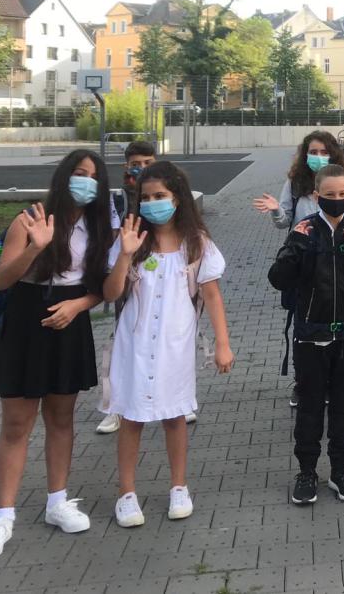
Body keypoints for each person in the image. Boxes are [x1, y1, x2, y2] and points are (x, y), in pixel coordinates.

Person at [0, 150, 115, 561]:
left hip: (70, 321)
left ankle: (58, 501)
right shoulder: (30, 218)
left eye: (93, 176)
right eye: (79, 173)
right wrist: (35, 248)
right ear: (63, 176)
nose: (85, 181)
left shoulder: (98, 228)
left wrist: (77, 306)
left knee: (61, 418)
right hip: (26, 322)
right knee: (17, 423)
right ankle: (3, 517)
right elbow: (3, 280)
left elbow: (102, 288)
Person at [100, 161, 234, 528]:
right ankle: (126, 493)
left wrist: (222, 343)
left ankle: (179, 486)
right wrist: (124, 254)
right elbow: (111, 293)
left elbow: (212, 294)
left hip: (176, 344)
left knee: (175, 416)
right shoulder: (132, 241)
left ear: (177, 198)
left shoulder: (197, 244)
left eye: (160, 196)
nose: (152, 203)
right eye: (145, 198)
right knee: (131, 417)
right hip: (134, 344)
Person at [268, 165, 344, 505]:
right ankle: (306, 471)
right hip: (310, 334)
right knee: (310, 406)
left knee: (343, 404)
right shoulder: (304, 230)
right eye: (329, 195)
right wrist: (297, 246)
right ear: (316, 195)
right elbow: (278, 278)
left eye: (343, 194)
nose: (337, 199)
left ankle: (341, 470)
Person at [254, 131, 344, 407]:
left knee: (332, 321)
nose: (318, 157)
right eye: (313, 152)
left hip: (334, 262)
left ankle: (331, 382)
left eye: (324, 152)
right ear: (305, 154)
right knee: (303, 323)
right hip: (303, 263)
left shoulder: (341, 179)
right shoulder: (295, 182)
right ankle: (303, 383)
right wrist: (276, 210)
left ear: (333, 154)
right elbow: (283, 221)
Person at [97, 140, 165, 435]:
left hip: (163, 272)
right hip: (127, 271)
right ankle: (115, 408)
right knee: (123, 340)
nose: (142, 168)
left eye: (148, 162)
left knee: (168, 335)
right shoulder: (118, 199)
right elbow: (108, 235)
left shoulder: (167, 191)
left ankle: (173, 399)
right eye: (136, 164)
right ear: (126, 166)